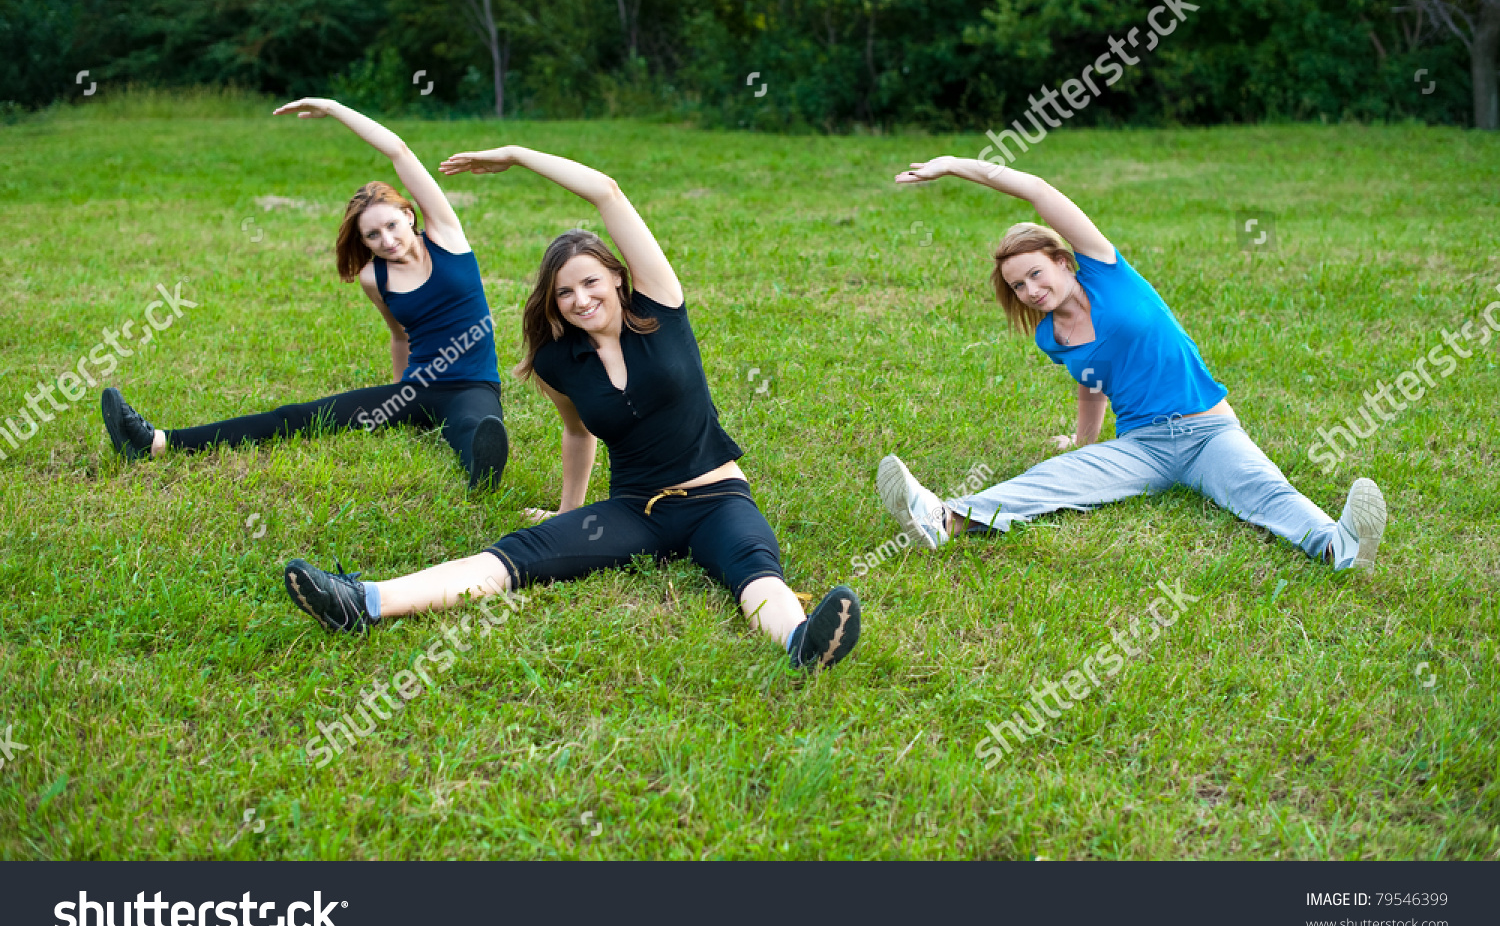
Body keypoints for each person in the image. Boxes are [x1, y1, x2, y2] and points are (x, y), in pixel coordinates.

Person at [282, 145, 861, 672]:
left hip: (717, 497)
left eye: (590, 283)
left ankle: (799, 641)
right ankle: (365, 601)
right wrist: (566, 512)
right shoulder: (560, 362)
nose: (581, 299)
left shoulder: (662, 304)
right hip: (636, 510)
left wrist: (515, 156)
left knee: (754, 569)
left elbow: (606, 192)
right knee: (517, 555)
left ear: (616, 276)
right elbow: (578, 436)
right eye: (564, 293)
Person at [875, 155, 1388, 571]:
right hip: (1141, 446)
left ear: (1061, 260)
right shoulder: (1052, 337)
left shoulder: (1105, 268)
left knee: (1263, 489)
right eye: (1017, 286)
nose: (1030, 290)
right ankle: (942, 520)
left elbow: (1036, 189)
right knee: (1056, 479)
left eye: (1035, 274)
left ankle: (1338, 548)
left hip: (1208, 431)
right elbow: (1093, 386)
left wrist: (952, 164)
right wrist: (1081, 442)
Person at [99, 98, 509, 489]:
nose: (386, 239)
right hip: (419, 387)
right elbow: (400, 336)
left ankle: (482, 470)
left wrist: (332, 109)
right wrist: (400, 398)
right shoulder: (374, 278)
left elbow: (398, 150)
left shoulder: (447, 236)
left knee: (474, 429)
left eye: (391, 226)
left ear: (408, 214)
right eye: (372, 234)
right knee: (299, 417)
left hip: (474, 385)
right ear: (363, 241)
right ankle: (156, 442)